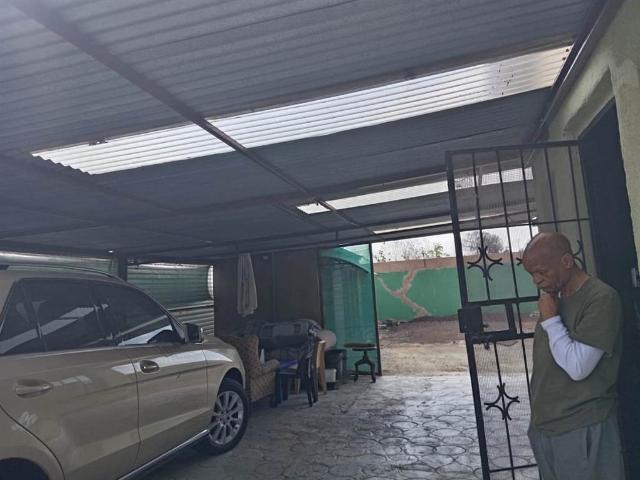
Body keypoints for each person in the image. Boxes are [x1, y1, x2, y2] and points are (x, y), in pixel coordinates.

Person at [522, 232, 625, 480]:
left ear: (567, 261)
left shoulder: (600, 298)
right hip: (546, 426)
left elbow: (578, 367)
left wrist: (551, 320)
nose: (536, 280)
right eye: (531, 274)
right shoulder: (554, 298)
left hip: (582, 426)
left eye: (542, 271)